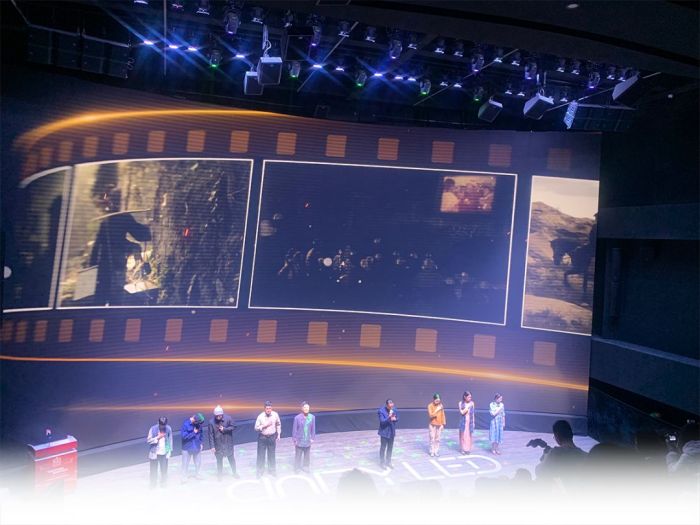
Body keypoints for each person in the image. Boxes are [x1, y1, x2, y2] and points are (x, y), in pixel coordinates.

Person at [529, 420, 587, 488]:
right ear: (571, 434)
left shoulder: (556, 453)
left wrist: (546, 454)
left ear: (557, 436)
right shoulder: (586, 456)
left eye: (554, 437)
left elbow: (540, 472)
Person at [207, 405, 238, 481]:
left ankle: (235, 473)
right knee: (219, 461)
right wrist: (212, 446)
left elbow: (234, 426)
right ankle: (220, 475)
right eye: (217, 416)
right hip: (218, 445)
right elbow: (210, 435)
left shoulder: (228, 418)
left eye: (220, 416)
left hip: (227, 443)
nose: (218, 417)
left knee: (231, 459)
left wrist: (225, 429)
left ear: (222, 414)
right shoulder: (211, 422)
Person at [254, 401, 281, 478]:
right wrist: (264, 426)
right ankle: (260, 471)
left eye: (270, 408)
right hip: (262, 438)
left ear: (271, 408)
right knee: (261, 455)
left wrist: (278, 434)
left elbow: (278, 424)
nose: (268, 410)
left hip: (272, 437)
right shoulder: (260, 416)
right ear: (264, 409)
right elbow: (255, 428)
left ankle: (272, 470)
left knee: (272, 455)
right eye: (267, 408)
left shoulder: (275, 415)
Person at [146, 416, 172, 488]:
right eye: (161, 425)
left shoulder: (168, 428)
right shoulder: (153, 429)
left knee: (164, 470)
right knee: (153, 470)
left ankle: (163, 484)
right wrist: (158, 437)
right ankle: (153, 485)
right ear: (158, 423)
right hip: (154, 453)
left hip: (164, 453)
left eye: (164, 425)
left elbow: (170, 440)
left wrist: (169, 451)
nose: (163, 427)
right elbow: (148, 440)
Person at [292, 401, 316, 473]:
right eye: (305, 407)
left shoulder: (312, 417)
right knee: (298, 455)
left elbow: (313, 429)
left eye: (307, 407)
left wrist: (312, 438)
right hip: (299, 440)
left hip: (307, 439)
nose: (306, 409)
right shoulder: (297, 418)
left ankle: (306, 467)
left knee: (307, 455)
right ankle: (297, 468)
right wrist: (294, 439)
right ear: (302, 408)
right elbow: (294, 429)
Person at [181, 413, 205, 482]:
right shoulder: (185, 425)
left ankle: (198, 474)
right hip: (187, 447)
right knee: (185, 463)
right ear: (194, 420)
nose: (199, 425)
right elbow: (184, 437)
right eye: (198, 423)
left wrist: (201, 443)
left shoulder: (198, 425)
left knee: (198, 462)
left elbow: (201, 434)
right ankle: (184, 477)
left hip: (197, 446)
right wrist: (193, 433)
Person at [378, 399, 399, 469]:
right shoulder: (381, 411)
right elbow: (382, 422)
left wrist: (395, 419)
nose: (391, 407)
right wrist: (389, 417)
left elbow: (397, 418)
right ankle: (382, 463)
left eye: (392, 405)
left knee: (390, 448)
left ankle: (388, 462)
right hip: (384, 432)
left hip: (391, 432)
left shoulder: (394, 409)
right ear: (386, 405)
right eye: (390, 406)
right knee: (383, 448)